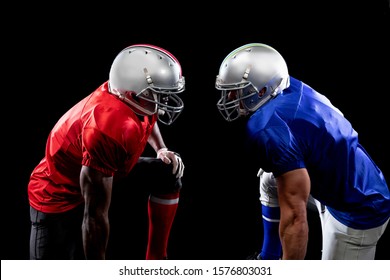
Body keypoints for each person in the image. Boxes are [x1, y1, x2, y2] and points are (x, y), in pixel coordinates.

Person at [214, 43, 390, 260]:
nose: (230, 97)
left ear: (262, 90)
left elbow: (296, 220)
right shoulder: (286, 85)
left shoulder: (268, 127)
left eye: (237, 91)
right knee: (269, 177)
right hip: (335, 175)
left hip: (357, 207)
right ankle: (269, 257)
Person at [28, 44, 186, 260]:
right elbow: (94, 216)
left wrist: (161, 148)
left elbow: (149, 115)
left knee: (167, 172)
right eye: (159, 94)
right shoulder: (106, 127)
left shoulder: (133, 99)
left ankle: (156, 260)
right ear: (132, 95)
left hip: (103, 164)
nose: (165, 101)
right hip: (60, 193)